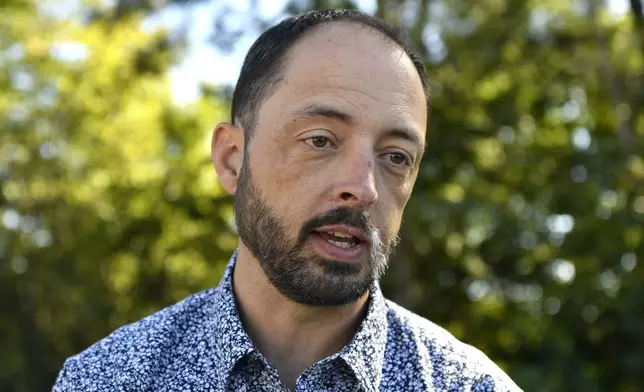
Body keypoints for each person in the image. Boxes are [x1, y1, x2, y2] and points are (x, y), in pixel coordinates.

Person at [53, 8, 522, 392]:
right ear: (232, 160)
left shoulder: (471, 386)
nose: (364, 187)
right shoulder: (106, 380)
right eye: (320, 140)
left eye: (396, 156)